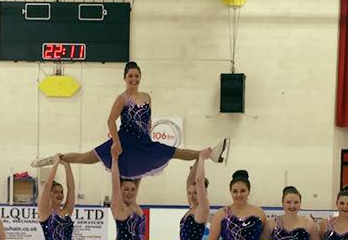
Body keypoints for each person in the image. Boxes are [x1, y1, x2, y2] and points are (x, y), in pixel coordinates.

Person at [31, 61, 227, 177]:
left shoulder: (147, 97)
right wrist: (116, 143)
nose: (134, 79)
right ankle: (54, 158)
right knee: (86, 157)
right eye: (130, 76)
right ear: (125, 78)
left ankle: (209, 153)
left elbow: (148, 120)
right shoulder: (122, 98)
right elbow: (110, 121)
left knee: (173, 152)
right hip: (124, 141)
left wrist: (149, 137)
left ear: (140, 77)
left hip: (143, 142)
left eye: (136, 76)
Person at [105, 141, 146, 240]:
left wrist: (141, 156)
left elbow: (139, 177)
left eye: (132, 189)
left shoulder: (134, 205)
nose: (130, 192)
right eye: (126, 189)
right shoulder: (120, 207)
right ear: (121, 190)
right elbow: (115, 183)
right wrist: (115, 159)